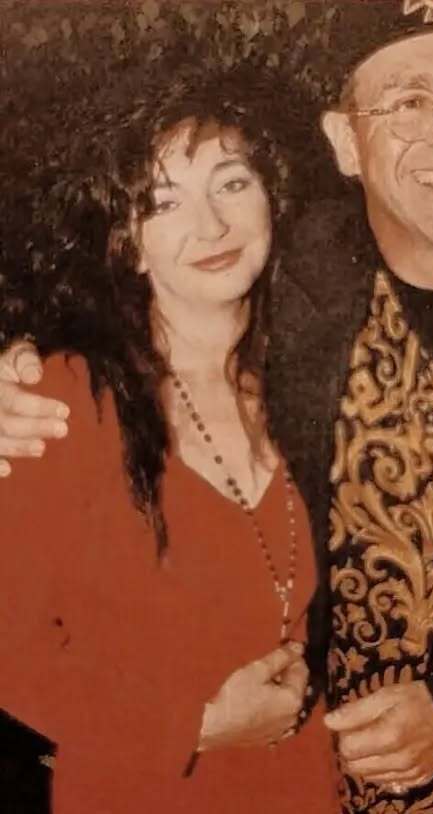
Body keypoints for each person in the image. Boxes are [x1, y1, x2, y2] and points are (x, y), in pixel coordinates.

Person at [3, 1, 433, 811]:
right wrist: (13, 370)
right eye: (409, 102)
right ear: (346, 142)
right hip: (329, 788)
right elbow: (127, 287)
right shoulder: (300, 278)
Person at [0, 55, 338, 812]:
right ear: (127, 240)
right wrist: (196, 724)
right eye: (164, 202)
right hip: (143, 789)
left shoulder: (310, 379)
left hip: (305, 786)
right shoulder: (65, 398)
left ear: (273, 197)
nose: (211, 226)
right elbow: (8, 650)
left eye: (232, 183)